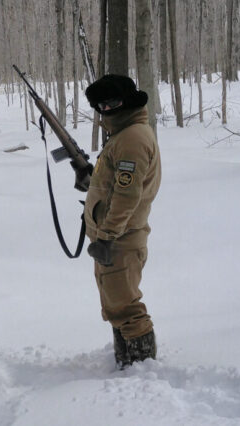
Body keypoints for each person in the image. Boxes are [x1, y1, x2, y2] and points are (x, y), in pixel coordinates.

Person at [82, 74, 161, 369]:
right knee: (116, 306)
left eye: (112, 103)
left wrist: (107, 236)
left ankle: (141, 372)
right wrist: (92, 182)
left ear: (128, 100)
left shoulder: (131, 138)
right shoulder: (123, 134)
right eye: (100, 106)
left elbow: (127, 196)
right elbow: (115, 184)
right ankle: (127, 363)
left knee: (127, 309)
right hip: (113, 238)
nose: (106, 110)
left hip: (119, 240)